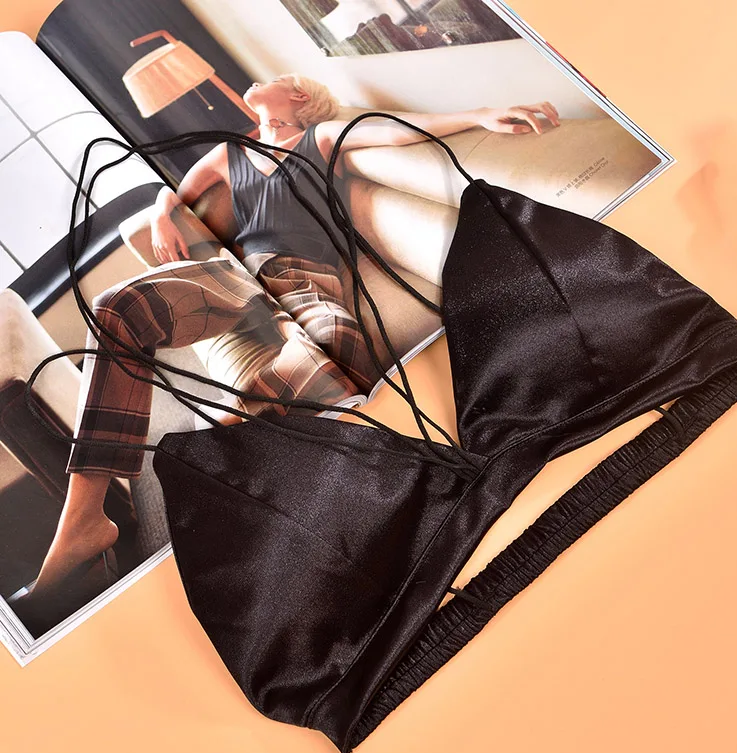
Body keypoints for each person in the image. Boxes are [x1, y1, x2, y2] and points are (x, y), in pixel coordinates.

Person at [28, 72, 561, 597]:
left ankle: (228, 447)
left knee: (340, 358)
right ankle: (85, 516)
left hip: (306, 283)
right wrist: (163, 213)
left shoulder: (318, 139)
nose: (257, 82)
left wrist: (480, 114)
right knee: (117, 306)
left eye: (276, 78)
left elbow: (394, 130)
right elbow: (175, 192)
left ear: (298, 95)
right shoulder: (230, 152)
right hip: (234, 277)